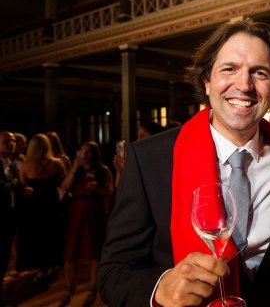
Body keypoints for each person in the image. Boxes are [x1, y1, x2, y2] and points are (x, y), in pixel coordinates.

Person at [97, 18, 270, 307]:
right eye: (229, 69)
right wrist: (160, 289)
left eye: (259, 73)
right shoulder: (150, 158)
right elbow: (112, 273)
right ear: (206, 81)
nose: (244, 85)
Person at [59, 141, 114, 307]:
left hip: (94, 211)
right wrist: (75, 168)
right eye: (81, 152)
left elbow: (110, 191)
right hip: (76, 211)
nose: (85, 156)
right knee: (70, 251)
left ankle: (93, 287)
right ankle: (69, 288)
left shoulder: (102, 170)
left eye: (88, 152)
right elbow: (64, 187)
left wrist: (97, 188)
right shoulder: (76, 169)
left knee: (94, 251)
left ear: (94, 154)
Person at [17, 133, 66, 285]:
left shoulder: (27, 164)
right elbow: (64, 183)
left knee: (37, 237)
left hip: (34, 205)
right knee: (51, 235)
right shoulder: (57, 163)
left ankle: (41, 269)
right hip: (52, 203)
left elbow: (22, 185)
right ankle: (52, 267)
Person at [0, 131, 23, 307]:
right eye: (6, 141)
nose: (11, 144)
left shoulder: (13, 165)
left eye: (13, 141)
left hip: (9, 217)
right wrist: (17, 185)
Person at [112, 120, 165, 188]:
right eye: (138, 137)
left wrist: (128, 170)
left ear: (154, 138)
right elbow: (119, 187)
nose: (137, 141)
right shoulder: (138, 159)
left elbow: (143, 189)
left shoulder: (159, 162)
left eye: (142, 136)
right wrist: (120, 170)